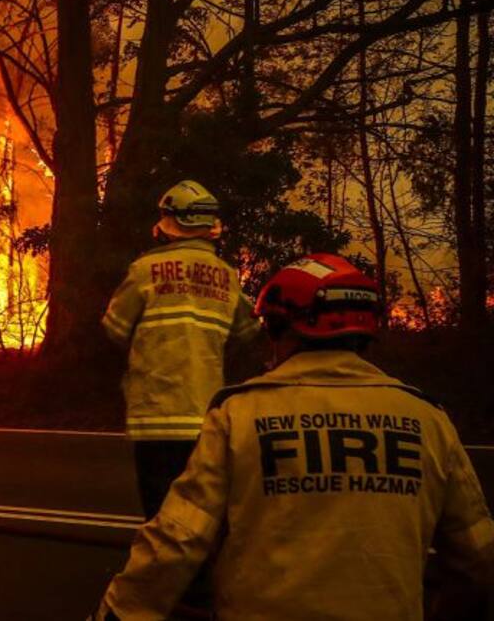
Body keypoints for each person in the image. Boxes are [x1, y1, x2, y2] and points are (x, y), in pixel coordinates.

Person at [94, 254, 494, 621]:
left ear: (282, 328)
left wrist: (119, 612)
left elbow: (178, 540)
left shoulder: (241, 413)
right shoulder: (427, 419)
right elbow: (478, 555)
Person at [101, 180, 258, 519]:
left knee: (161, 518)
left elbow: (113, 329)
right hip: (207, 417)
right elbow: (248, 332)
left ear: (170, 222)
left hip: (154, 418)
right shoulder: (227, 275)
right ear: (209, 225)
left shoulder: (144, 269)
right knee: (201, 516)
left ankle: (162, 572)